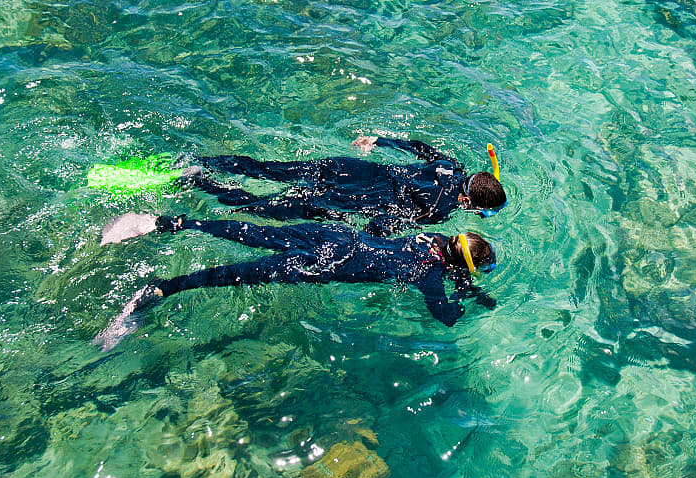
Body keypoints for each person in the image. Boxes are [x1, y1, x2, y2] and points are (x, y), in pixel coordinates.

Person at [94, 212, 497, 351]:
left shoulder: (430, 240)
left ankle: (167, 223)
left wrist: (464, 278)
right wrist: (471, 298)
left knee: (252, 232)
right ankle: (162, 289)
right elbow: (444, 315)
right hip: (327, 262)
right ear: (459, 266)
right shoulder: (429, 274)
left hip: (336, 236)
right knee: (238, 276)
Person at [181, 136, 506, 236]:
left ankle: (205, 161)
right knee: (259, 207)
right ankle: (198, 180)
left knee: (268, 171)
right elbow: (387, 223)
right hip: (346, 197)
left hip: (347, 167)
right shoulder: (439, 210)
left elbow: (420, 147)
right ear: (467, 201)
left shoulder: (452, 166)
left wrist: (379, 140)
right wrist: (357, 232)